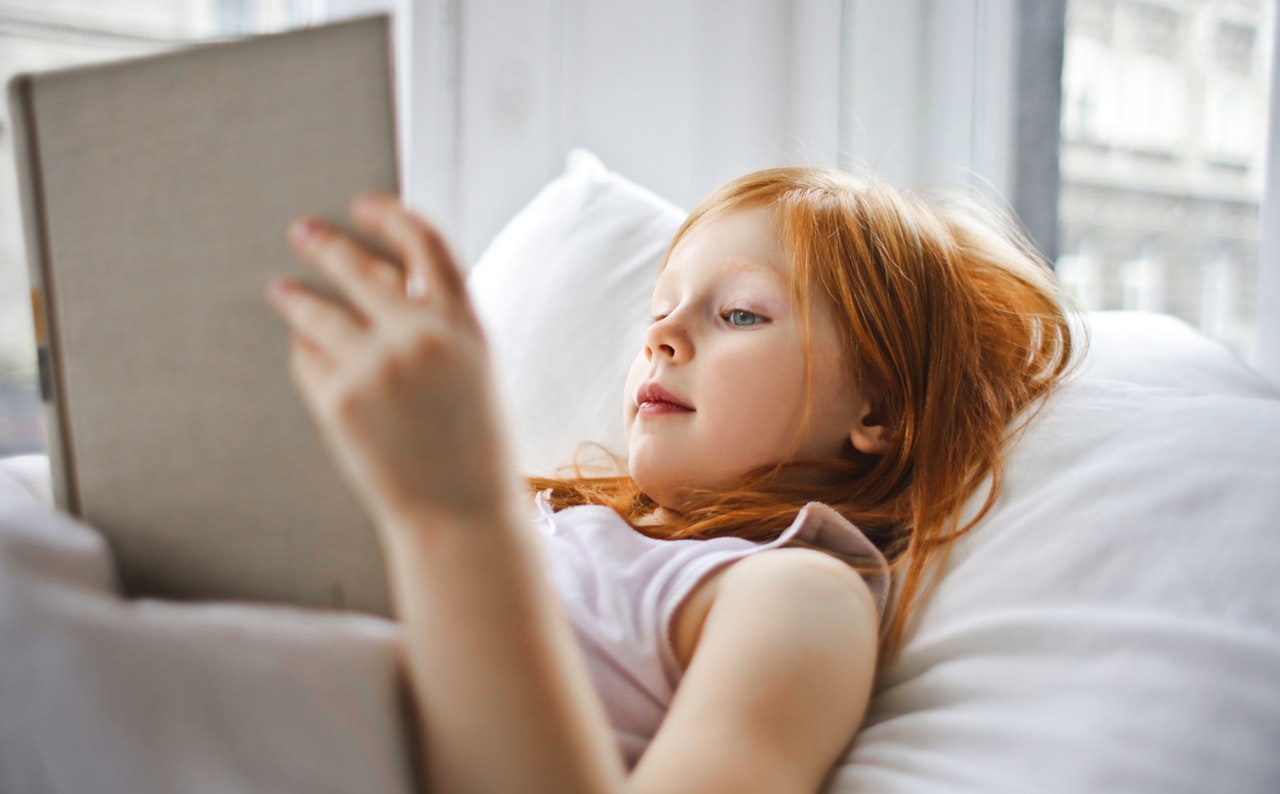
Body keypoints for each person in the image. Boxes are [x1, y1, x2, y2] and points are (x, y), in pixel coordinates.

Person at [265, 166, 1075, 793]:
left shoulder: (794, 592)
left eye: (741, 315)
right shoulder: (550, 512)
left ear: (881, 410)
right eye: (660, 308)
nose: (662, 336)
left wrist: (458, 514)